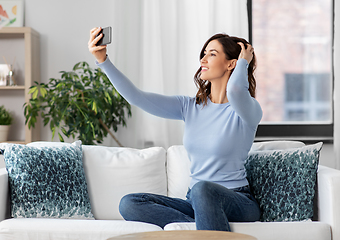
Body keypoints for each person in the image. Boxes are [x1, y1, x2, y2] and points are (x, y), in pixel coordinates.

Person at [88, 27, 262, 231]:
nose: (203, 60)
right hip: (196, 201)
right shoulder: (189, 107)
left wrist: (244, 61)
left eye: (212, 54)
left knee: (202, 189)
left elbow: (234, 90)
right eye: (203, 53)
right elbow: (137, 98)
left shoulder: (247, 110)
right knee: (130, 203)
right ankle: (201, 229)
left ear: (231, 63)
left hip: (238, 201)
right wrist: (103, 60)